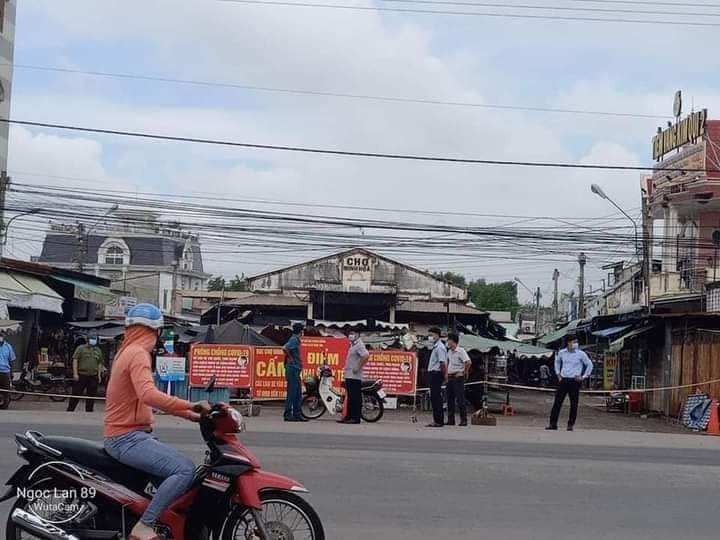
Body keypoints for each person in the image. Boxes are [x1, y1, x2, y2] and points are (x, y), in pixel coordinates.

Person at [103, 303, 211, 540]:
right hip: (127, 438)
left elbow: (147, 401)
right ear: (157, 331)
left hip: (131, 435)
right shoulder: (138, 354)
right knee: (184, 470)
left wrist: (192, 416)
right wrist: (191, 405)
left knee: (176, 490)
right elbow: (149, 396)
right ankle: (145, 525)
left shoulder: (127, 351)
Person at [546, 335, 593, 431]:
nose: (575, 344)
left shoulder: (581, 354)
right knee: (557, 403)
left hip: (574, 381)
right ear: (568, 342)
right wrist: (558, 374)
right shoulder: (562, 353)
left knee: (574, 404)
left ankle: (570, 424)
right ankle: (553, 424)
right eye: (573, 341)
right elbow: (557, 362)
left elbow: (589, 364)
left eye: (576, 342)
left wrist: (583, 377)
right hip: (563, 380)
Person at [67, 334, 105, 413]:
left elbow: (100, 363)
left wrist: (99, 375)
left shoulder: (98, 350)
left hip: (93, 376)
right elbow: (75, 360)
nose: (93, 341)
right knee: (76, 393)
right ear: (88, 339)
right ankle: (70, 410)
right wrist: (75, 373)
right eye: (92, 339)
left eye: (95, 339)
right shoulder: (81, 348)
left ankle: (89, 412)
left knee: (91, 396)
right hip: (82, 375)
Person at [339, 329, 370, 424]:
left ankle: (355, 418)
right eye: (349, 333)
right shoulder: (353, 345)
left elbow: (366, 356)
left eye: (352, 333)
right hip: (349, 375)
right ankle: (348, 417)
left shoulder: (359, 345)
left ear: (357, 334)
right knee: (350, 397)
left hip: (355, 376)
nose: (350, 335)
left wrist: (358, 367)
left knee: (355, 398)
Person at [282, 322, 307, 422]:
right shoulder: (294, 339)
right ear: (301, 331)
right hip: (292, 368)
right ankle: (288, 414)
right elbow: (284, 348)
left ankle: (297, 413)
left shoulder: (295, 339)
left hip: (295, 368)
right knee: (292, 392)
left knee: (297, 393)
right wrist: (291, 358)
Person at [445, 333, 470, 426]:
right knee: (449, 399)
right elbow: (448, 363)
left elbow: (468, 362)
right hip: (450, 376)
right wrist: (446, 374)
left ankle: (464, 420)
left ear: (452, 341)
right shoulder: (449, 351)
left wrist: (463, 372)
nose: (447, 342)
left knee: (460, 399)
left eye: (448, 340)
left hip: (458, 377)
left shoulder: (460, 351)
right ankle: (451, 420)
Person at [426, 327, 447, 428]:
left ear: (437, 335)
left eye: (432, 335)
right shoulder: (435, 347)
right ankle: (437, 420)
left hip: (436, 374)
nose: (431, 337)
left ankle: (438, 421)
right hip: (433, 374)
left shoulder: (440, 347)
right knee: (434, 398)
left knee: (436, 398)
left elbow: (442, 363)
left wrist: (444, 375)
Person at [0, 332, 16, 410]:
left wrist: (11, 372)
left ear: (4, 336)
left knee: (6, 390)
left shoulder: (8, 346)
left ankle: (5, 405)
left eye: (1, 336)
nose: (0, 337)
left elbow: (11, 360)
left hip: (5, 372)